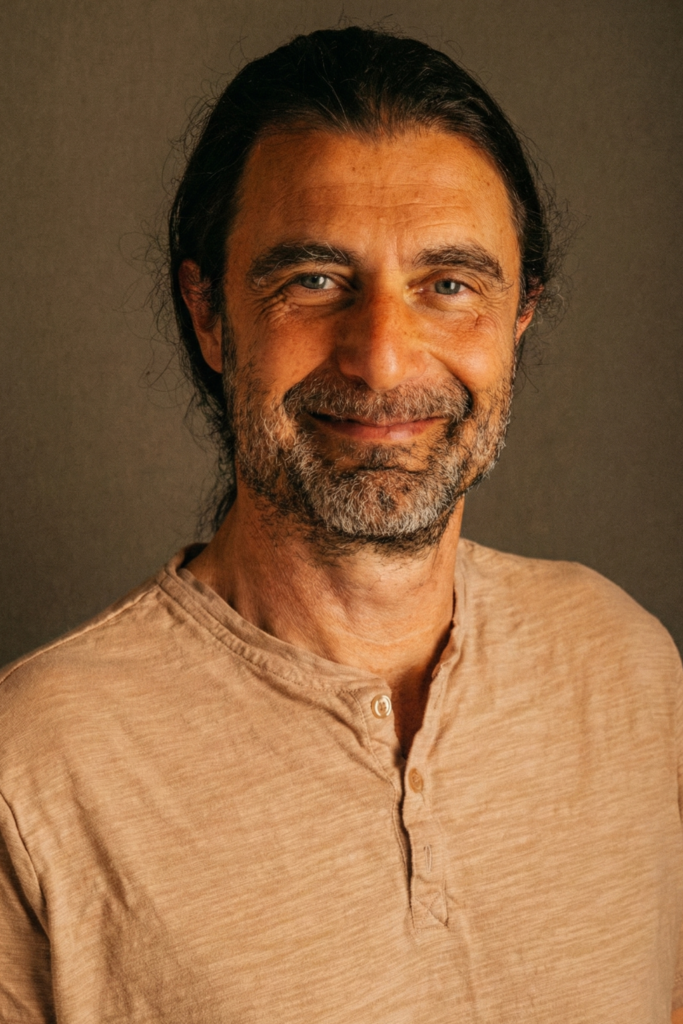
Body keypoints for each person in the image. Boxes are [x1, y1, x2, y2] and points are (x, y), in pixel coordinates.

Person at [1, 25, 682, 1023]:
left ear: (518, 317)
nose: (382, 357)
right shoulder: (33, 768)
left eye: (448, 286)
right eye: (313, 280)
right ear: (209, 314)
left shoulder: (626, 668)